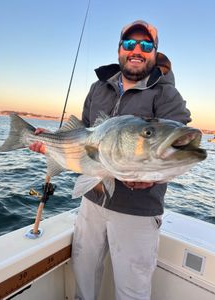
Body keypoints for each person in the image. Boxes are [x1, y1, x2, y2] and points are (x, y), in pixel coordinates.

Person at [30, 20, 191, 300]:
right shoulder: (98, 87)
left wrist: (151, 177)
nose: (137, 50)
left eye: (146, 45)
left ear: (155, 52)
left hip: (138, 213)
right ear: (120, 49)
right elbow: (83, 131)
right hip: (91, 201)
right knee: (84, 278)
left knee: (132, 292)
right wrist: (52, 143)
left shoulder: (167, 94)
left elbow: (175, 147)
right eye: (129, 44)